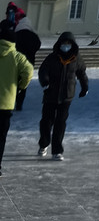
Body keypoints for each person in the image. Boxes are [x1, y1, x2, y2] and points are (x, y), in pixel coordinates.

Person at [38, 31, 89, 160]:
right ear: (59, 44)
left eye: (68, 44)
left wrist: (85, 87)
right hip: (51, 94)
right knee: (46, 121)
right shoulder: (52, 57)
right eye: (64, 43)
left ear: (73, 45)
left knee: (60, 123)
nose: (66, 46)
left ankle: (57, 150)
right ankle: (44, 144)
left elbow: (82, 73)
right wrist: (45, 79)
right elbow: (43, 70)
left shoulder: (76, 58)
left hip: (67, 96)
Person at [0, 31, 33, 176]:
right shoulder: (17, 57)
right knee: (1, 137)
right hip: (5, 104)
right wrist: (20, 86)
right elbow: (28, 72)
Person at [0, 18, 41, 110]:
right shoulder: (33, 36)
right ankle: (19, 103)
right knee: (16, 86)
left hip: (11, 64)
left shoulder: (16, 35)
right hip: (27, 61)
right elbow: (28, 72)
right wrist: (23, 86)